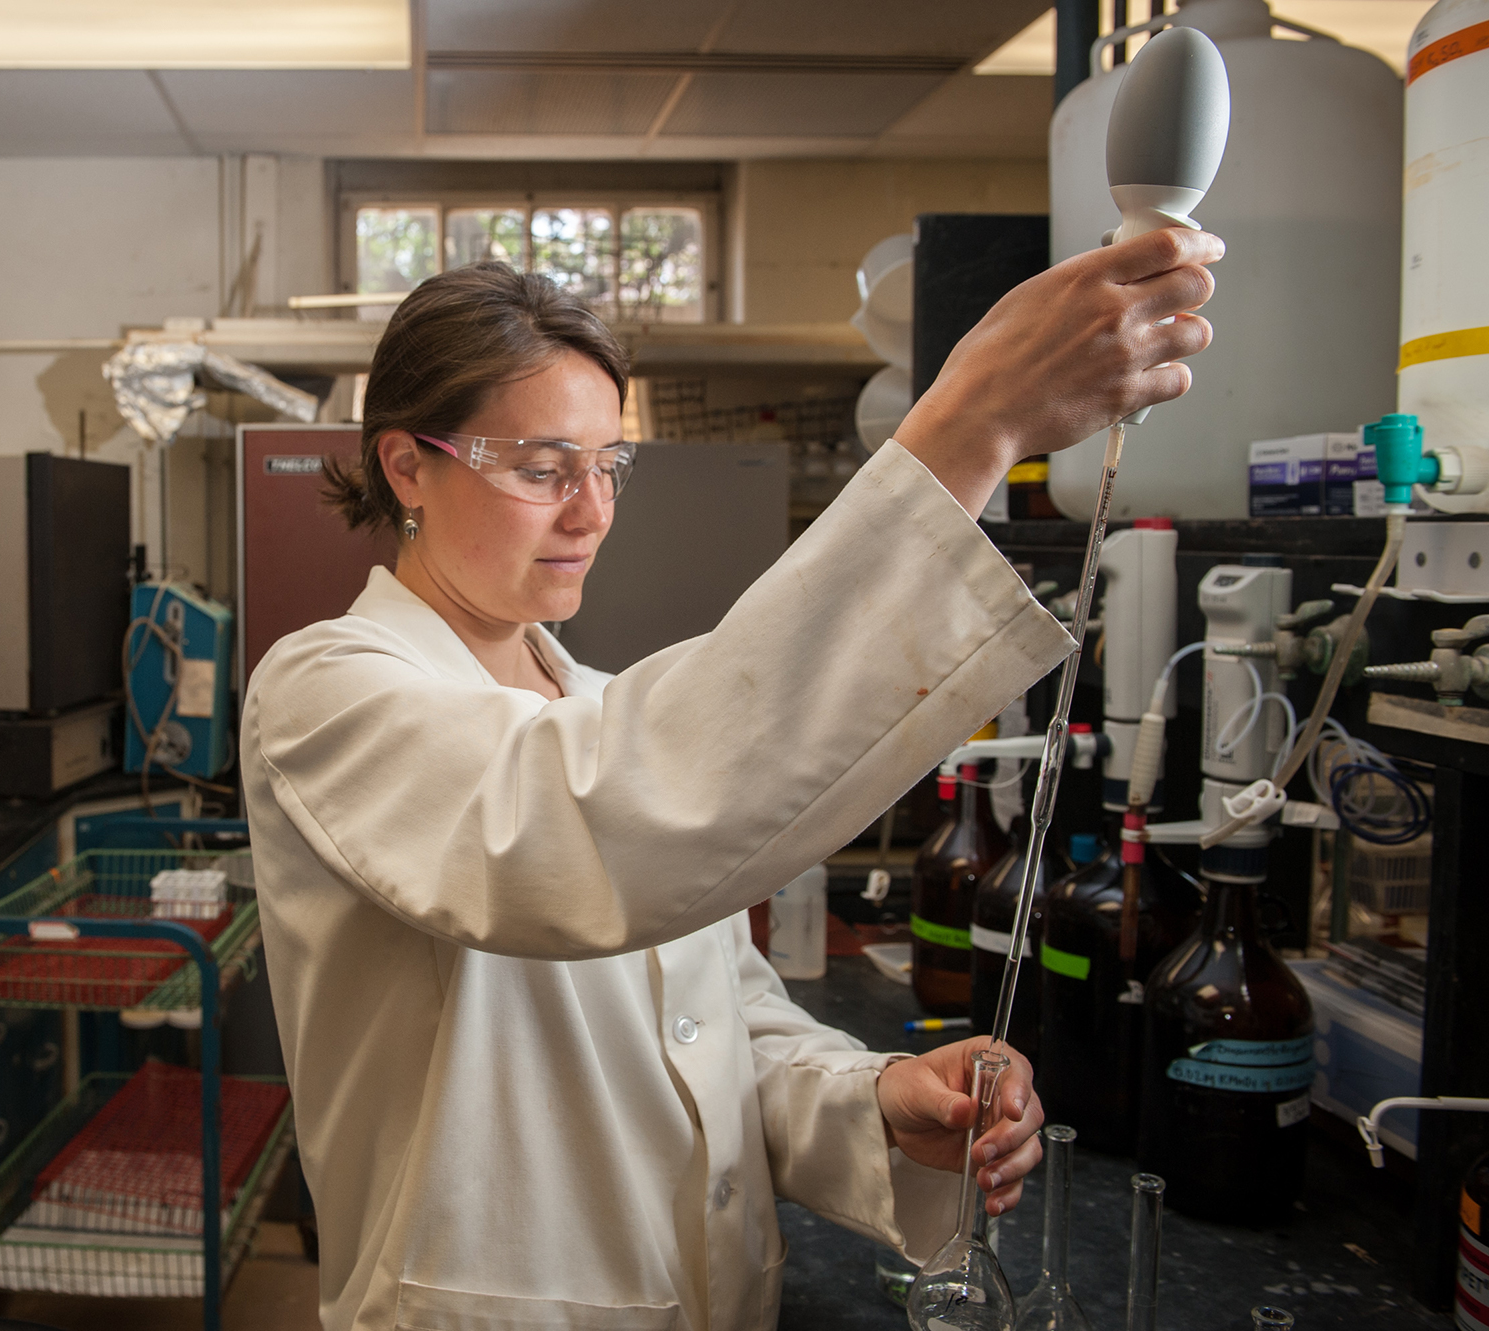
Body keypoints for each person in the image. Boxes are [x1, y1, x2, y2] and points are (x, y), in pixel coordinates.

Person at [241, 231, 1221, 1331]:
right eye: (538, 468)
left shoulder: (594, 703)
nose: (590, 510)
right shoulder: (328, 691)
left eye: (606, 464)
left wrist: (877, 1104)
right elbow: (591, 826)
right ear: (406, 464)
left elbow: (722, 1031)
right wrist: (965, 429)